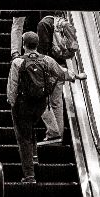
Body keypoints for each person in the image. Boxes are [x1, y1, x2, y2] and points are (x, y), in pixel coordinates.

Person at [6, 32, 86, 184]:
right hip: (40, 105)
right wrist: (75, 76)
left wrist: (12, 102)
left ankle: (29, 176)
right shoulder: (47, 60)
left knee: (24, 138)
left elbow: (13, 85)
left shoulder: (17, 62)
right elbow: (61, 74)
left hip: (23, 105)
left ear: (23, 45)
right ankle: (34, 157)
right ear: (36, 44)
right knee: (30, 127)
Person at [35, 12, 67, 145]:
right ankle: (58, 136)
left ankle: (53, 134)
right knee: (56, 103)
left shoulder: (44, 24)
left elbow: (43, 51)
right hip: (61, 66)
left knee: (42, 101)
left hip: (49, 69)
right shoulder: (62, 22)